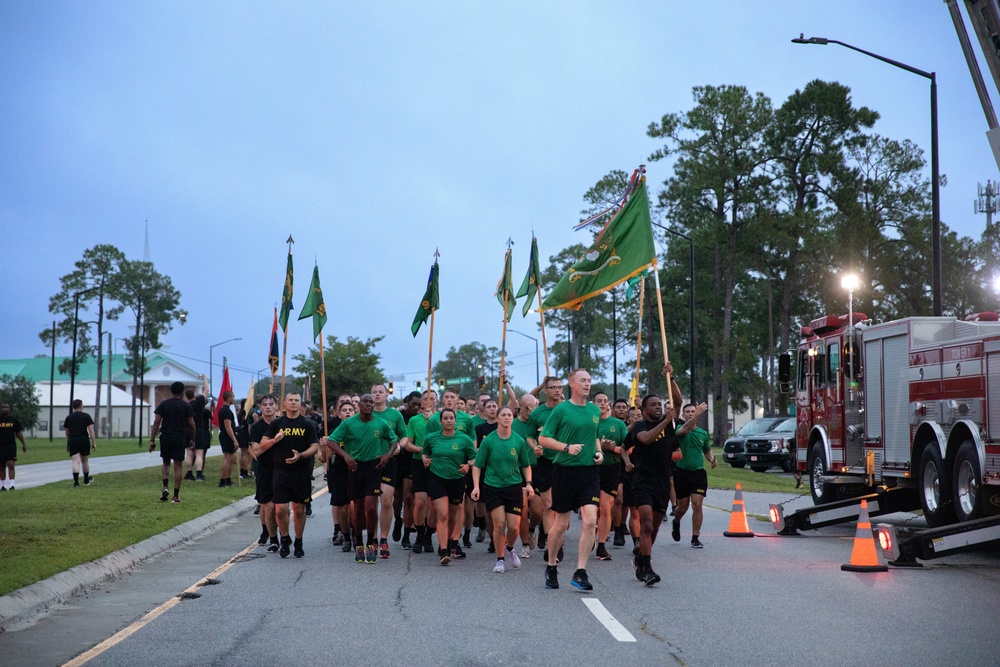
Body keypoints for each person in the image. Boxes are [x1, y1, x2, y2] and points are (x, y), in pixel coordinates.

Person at [538, 368, 603, 591]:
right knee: (562, 524)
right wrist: (566, 447)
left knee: (590, 520)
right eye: (582, 380)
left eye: (589, 381)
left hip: (589, 472)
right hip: (564, 470)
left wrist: (599, 452)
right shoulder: (561, 410)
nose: (587, 384)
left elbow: (594, 436)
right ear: (572, 384)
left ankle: (580, 572)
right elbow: (543, 438)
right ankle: (551, 566)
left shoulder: (594, 410)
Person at [327, 394, 398, 564]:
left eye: (371, 403)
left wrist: (387, 456)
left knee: (371, 507)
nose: (368, 405)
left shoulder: (380, 423)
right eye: (365, 402)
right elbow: (331, 441)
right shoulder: (349, 424)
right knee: (357, 508)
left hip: (374, 468)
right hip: (355, 468)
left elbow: (393, 440)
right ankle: (359, 544)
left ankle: (371, 545)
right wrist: (346, 456)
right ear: (359, 405)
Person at [471, 405, 533, 573]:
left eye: (509, 415)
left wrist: (528, 484)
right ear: (497, 419)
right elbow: (477, 466)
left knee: (514, 527)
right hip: (493, 486)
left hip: (513, 486)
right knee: (499, 524)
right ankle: (500, 560)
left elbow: (526, 465)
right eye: (503, 415)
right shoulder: (489, 441)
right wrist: (476, 486)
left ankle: (510, 548)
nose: (507, 417)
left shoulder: (518, 441)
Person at [258, 393, 321, 558]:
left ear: (301, 405)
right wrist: (274, 440)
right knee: (280, 510)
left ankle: (299, 541)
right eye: (290, 400)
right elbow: (262, 444)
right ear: (284, 403)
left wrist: (300, 455)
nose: (293, 403)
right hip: (280, 472)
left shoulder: (307, 424)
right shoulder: (277, 423)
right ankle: (285, 538)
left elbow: (314, 447)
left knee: (299, 509)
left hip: (301, 472)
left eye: (296, 401)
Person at [627, 393, 681, 585]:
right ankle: (648, 570)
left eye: (660, 404)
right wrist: (627, 462)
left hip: (662, 482)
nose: (658, 407)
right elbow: (645, 439)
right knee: (647, 524)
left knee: (655, 527)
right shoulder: (640, 426)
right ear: (644, 410)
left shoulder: (670, 427)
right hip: (642, 480)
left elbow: (678, 401)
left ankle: (641, 559)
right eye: (653, 404)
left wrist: (672, 377)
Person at [422, 408, 477, 565]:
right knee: (443, 514)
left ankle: (446, 542)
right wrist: (425, 459)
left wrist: (467, 465)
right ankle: (444, 551)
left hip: (457, 479)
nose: (448, 420)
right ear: (440, 421)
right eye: (445, 418)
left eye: (451, 418)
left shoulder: (464, 439)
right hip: (437, 478)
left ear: (455, 420)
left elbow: (474, 458)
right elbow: (425, 452)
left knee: (452, 515)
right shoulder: (432, 438)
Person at [526, 376, 564, 558]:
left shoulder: (568, 410)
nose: (557, 390)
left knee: (561, 506)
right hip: (545, 463)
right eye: (553, 387)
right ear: (546, 391)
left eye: (560, 387)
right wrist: (535, 447)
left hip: (566, 462)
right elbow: (529, 436)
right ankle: (554, 545)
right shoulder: (537, 413)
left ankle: (556, 537)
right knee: (548, 505)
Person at [671, 402, 714, 548]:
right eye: (687, 412)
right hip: (682, 473)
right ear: (683, 415)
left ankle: (695, 537)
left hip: (698, 473)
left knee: (697, 505)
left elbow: (707, 450)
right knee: (682, 507)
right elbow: (684, 431)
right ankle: (676, 522)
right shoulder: (679, 429)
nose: (690, 413)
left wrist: (712, 459)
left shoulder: (702, 433)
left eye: (693, 411)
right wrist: (697, 414)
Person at [593, 392, 630, 561]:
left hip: (612, 468)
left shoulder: (618, 424)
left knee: (605, 507)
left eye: (604, 401)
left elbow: (628, 449)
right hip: (590, 467)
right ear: (592, 404)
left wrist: (610, 448)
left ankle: (601, 545)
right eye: (598, 401)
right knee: (592, 509)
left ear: (609, 404)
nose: (602, 403)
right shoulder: (589, 422)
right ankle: (591, 530)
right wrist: (599, 447)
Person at [371, 384, 407, 558]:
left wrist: (400, 445)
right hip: (368, 462)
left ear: (386, 395)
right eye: (374, 392)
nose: (377, 395)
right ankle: (373, 539)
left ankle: (384, 540)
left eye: (380, 392)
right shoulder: (365, 413)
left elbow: (405, 435)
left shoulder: (395, 415)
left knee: (386, 500)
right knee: (369, 505)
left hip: (389, 461)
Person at [401, 391, 437, 555]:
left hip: (437, 463)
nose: (429, 401)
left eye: (432, 399)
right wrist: (421, 450)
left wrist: (432, 420)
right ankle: (420, 534)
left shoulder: (443, 418)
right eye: (425, 399)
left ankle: (429, 535)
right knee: (420, 501)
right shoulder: (415, 420)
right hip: (418, 462)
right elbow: (408, 444)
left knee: (435, 503)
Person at [149, 381, 196, 503]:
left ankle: (165, 487)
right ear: (182, 392)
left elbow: (156, 422)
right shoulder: (186, 406)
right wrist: (192, 438)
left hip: (165, 436)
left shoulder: (164, 404)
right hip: (179, 437)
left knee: (165, 462)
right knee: (178, 465)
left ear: (171, 391)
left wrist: (152, 439)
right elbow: (191, 424)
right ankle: (175, 495)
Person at [249, 394, 280, 552]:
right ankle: (269, 534)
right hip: (264, 468)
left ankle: (283, 535)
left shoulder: (282, 424)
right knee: (266, 505)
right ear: (260, 408)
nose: (268, 407)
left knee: (279, 507)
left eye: (271, 404)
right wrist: (273, 441)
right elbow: (256, 451)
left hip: (282, 469)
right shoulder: (256, 427)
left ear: (276, 407)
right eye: (265, 404)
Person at [393, 391, 423, 550]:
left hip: (413, 461)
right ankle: (397, 519)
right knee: (397, 497)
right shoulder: (399, 416)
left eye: (420, 404)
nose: (417, 407)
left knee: (409, 498)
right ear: (407, 403)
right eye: (414, 404)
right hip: (397, 459)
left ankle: (406, 535)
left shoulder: (421, 419)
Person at [511, 393, 538, 559]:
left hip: (539, 468)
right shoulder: (513, 424)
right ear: (519, 407)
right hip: (519, 469)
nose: (529, 410)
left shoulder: (541, 422)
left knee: (538, 510)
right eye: (526, 407)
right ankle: (525, 544)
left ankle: (533, 528)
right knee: (523, 509)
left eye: (533, 406)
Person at [611, 397, 632, 546]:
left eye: (624, 407)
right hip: (613, 466)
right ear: (613, 409)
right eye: (618, 407)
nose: (621, 410)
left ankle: (622, 524)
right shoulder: (610, 424)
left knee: (625, 501)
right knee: (618, 499)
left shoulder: (634, 423)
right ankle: (617, 529)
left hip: (630, 466)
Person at [183, 374, 210, 481]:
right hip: (198, 429)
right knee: (199, 453)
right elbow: (206, 390)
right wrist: (204, 378)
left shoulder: (185, 405)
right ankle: (199, 474)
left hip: (186, 430)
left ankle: (189, 473)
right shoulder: (199, 403)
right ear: (194, 395)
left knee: (189, 453)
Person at [65, 399, 97, 487]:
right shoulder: (86, 416)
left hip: (73, 440)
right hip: (84, 439)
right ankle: (86, 480)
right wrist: (93, 442)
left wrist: (69, 440)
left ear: (73, 407)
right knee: (85, 461)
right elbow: (91, 430)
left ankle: (76, 483)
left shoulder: (69, 417)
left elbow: (67, 432)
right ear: (81, 406)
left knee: (76, 461)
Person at [0, 403, 26, 491]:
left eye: (6, 407)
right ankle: (2, 486)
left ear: (9, 409)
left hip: (11, 446)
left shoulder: (13, 420)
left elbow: (18, 433)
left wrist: (23, 444)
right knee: (1, 466)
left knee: (11, 465)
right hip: (1, 446)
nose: (4, 409)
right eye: (3, 407)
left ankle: (11, 485)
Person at [217, 391, 238, 487]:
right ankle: (223, 480)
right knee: (227, 458)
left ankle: (228, 479)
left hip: (227, 435)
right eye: (233, 397)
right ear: (228, 398)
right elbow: (228, 427)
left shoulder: (226, 410)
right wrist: (234, 440)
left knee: (231, 459)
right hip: (227, 436)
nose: (234, 399)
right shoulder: (226, 411)